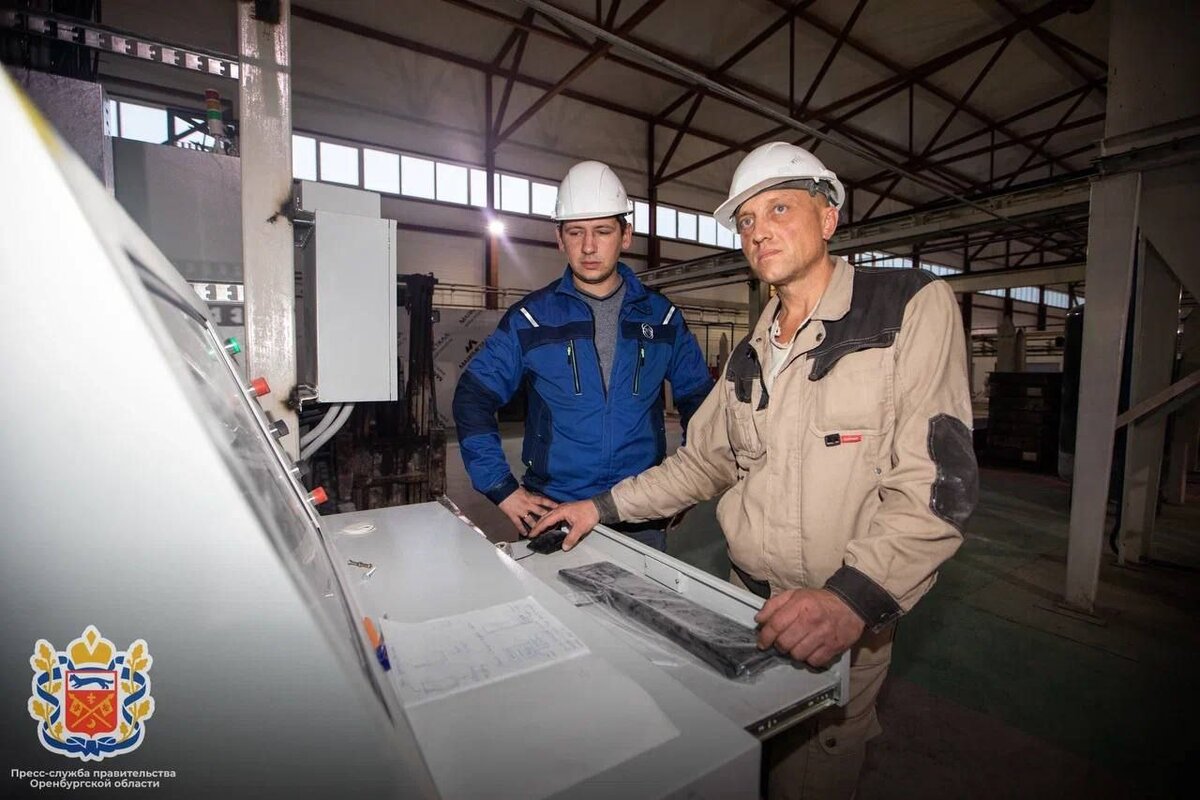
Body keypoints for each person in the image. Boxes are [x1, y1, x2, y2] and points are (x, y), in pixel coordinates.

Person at [529, 142, 979, 798]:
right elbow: (701, 464)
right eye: (744, 219)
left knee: (811, 773)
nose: (758, 229)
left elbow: (939, 486)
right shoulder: (749, 354)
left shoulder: (906, 308)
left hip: (838, 613)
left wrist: (850, 601)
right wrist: (598, 507)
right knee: (737, 768)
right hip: (741, 607)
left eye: (778, 208)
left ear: (827, 218)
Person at [452, 160, 714, 551]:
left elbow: (702, 405)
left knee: (638, 612)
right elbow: (473, 397)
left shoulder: (663, 319)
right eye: (575, 232)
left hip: (638, 510)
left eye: (603, 231)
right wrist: (501, 488)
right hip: (553, 510)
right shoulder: (531, 318)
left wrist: (684, 485)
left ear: (626, 235)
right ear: (559, 239)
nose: (588, 247)